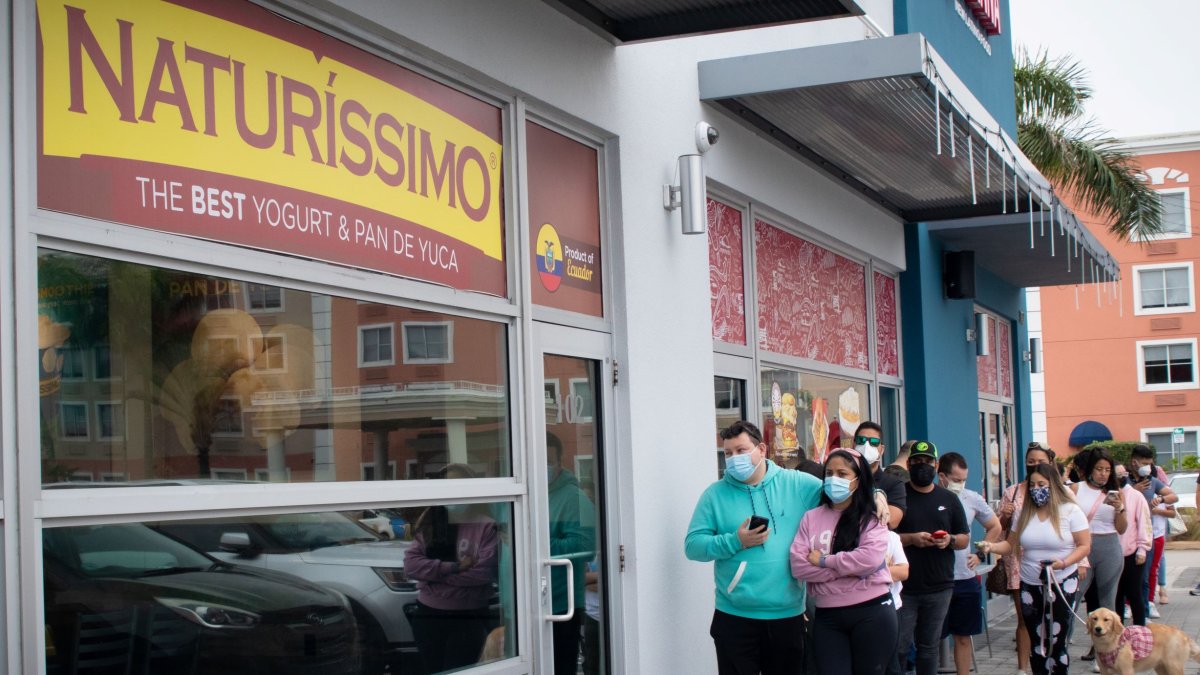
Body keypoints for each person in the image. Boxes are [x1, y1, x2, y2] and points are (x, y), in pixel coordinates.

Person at [685, 420, 887, 674]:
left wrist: (877, 493)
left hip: (787, 616)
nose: (734, 458)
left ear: (762, 449)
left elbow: (843, 491)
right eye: (728, 453)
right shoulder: (714, 494)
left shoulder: (797, 484)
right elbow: (693, 546)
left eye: (741, 450)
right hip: (734, 616)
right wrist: (735, 541)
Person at [790, 448, 897, 674]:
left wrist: (824, 561)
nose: (833, 479)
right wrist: (849, 568)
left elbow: (869, 559)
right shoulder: (811, 517)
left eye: (842, 474)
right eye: (829, 473)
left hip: (872, 611)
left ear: (858, 480)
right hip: (827, 616)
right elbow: (798, 565)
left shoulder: (872, 515)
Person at [979, 463, 1091, 675]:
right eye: (1033, 485)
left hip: (1062, 580)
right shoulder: (1023, 513)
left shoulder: (1071, 511)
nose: (1037, 489)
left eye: (1042, 484)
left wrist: (1065, 563)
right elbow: (1009, 545)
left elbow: (1084, 545)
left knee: (1057, 639)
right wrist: (991, 546)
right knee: (1036, 638)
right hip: (1030, 583)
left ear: (1054, 485)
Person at [403, 464, 500, 673]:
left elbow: (484, 573)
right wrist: (454, 567)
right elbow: (411, 565)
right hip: (429, 616)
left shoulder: (486, 526)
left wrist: (432, 575)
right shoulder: (432, 523)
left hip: (469, 616)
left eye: (459, 485)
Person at [893, 440, 969, 675]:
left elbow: (964, 537)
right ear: (908, 464)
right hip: (903, 586)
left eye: (927, 462)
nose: (922, 466)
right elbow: (884, 537)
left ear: (936, 466)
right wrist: (912, 539)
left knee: (929, 647)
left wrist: (950, 540)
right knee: (899, 646)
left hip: (939, 586)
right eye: (916, 461)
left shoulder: (949, 499)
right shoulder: (898, 496)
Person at [937, 452, 1002, 675]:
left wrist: (981, 553)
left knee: (963, 637)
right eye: (956, 479)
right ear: (942, 476)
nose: (960, 484)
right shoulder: (929, 496)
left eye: (963, 479)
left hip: (964, 577)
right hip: (935, 579)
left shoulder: (971, 498)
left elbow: (995, 526)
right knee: (930, 637)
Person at [997, 442, 1055, 675]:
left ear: (1049, 464)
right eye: (1030, 462)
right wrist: (1004, 516)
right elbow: (1000, 530)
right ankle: (1023, 668)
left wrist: (1080, 562)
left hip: (1053, 565)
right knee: (1025, 618)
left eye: (1040, 462)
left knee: (1051, 619)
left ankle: (1052, 661)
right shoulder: (1012, 492)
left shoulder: (1059, 492)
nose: (1034, 466)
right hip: (1019, 563)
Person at [546, 433, 596, 675]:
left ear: (559, 462)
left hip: (560, 605)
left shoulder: (574, 498)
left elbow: (585, 546)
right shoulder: (525, 496)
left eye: (548, 461)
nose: (542, 467)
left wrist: (534, 545)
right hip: (523, 603)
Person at [1072, 448, 1127, 663]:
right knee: (1073, 598)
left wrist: (1120, 508)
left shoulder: (1115, 492)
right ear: (1089, 469)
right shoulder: (1075, 489)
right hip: (1083, 546)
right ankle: (1061, 650)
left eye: (1107, 470)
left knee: (1108, 604)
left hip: (1110, 545)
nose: (1103, 474)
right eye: (1099, 469)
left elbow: (1122, 528)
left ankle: (1106, 656)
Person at [1127, 444, 1178, 618]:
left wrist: (1161, 498)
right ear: (1134, 462)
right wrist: (1133, 492)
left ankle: (1144, 615)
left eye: (1150, 463)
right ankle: (1125, 607)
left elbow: (1173, 496)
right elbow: (1114, 499)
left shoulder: (1152, 482)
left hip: (1146, 535)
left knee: (1145, 576)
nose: (1148, 467)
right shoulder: (1123, 481)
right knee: (1125, 576)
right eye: (1144, 463)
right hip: (1126, 535)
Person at [1111, 463, 1152, 626]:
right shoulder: (1107, 495)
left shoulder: (1135, 496)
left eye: (1123, 473)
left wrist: (1142, 549)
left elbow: (1144, 522)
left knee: (1135, 595)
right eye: (1117, 474)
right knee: (1116, 596)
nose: (1121, 477)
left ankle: (1140, 632)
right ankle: (1118, 633)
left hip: (1132, 554)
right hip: (1112, 555)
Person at [853, 421, 906, 529]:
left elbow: (891, 521)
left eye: (874, 442)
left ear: (882, 449)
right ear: (853, 445)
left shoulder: (893, 484)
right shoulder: (843, 480)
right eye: (861, 440)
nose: (866, 446)